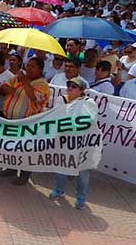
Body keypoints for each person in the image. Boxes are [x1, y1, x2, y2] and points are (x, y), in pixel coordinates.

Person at [0, 57, 51, 185]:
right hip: (11, 120)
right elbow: (3, 86)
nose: (28, 68)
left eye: (33, 66)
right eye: (28, 65)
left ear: (40, 70)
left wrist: (24, 81)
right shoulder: (17, 78)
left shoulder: (42, 85)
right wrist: (12, 90)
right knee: (11, 146)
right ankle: (11, 168)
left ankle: (24, 175)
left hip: (28, 124)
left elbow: (33, 97)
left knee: (25, 150)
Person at [48, 76, 94, 209]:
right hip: (64, 140)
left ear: (81, 90)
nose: (69, 88)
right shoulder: (61, 99)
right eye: (69, 85)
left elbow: (89, 120)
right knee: (61, 165)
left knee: (82, 172)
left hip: (83, 143)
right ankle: (58, 189)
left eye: (74, 87)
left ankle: (81, 198)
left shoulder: (89, 102)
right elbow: (56, 117)